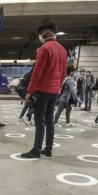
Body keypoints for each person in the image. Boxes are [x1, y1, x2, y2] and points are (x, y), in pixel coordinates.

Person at [20, 21, 67, 159]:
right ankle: (48, 149)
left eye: (41, 33)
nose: (40, 35)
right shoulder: (63, 50)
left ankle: (36, 150)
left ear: (47, 32)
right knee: (49, 120)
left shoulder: (44, 49)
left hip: (43, 91)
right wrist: (57, 89)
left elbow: (37, 73)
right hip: (54, 92)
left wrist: (29, 91)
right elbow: (63, 73)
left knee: (39, 121)